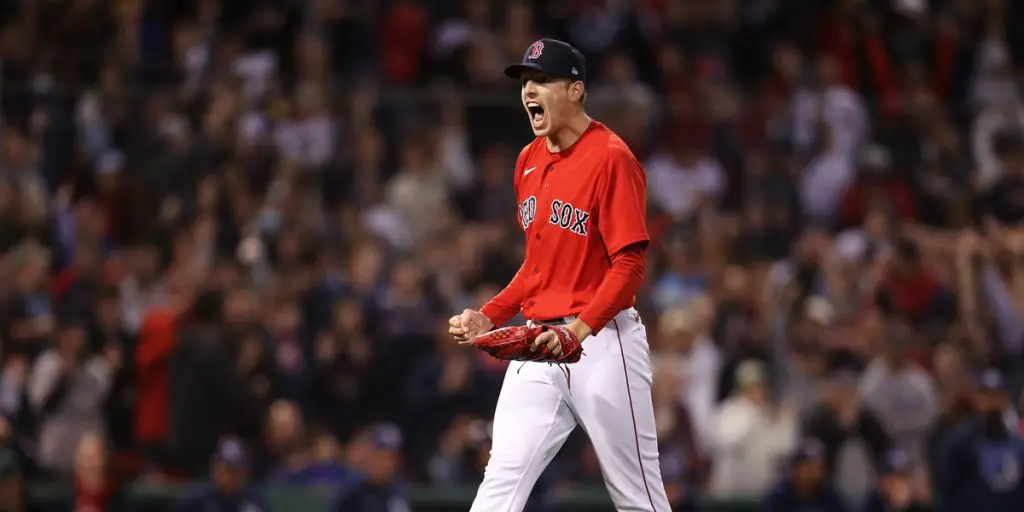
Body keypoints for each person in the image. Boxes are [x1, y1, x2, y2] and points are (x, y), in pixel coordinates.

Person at [448, 38, 671, 511]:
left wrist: (579, 329)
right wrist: (489, 315)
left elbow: (629, 266)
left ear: (575, 91)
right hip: (537, 344)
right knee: (500, 483)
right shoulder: (528, 159)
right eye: (525, 81)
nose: (529, 90)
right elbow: (537, 266)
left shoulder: (612, 157)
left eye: (542, 80)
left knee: (638, 499)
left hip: (602, 343)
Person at [936, 369, 1024, 511]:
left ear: (1005, 399)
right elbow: (947, 493)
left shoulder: (1017, 445)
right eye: (986, 395)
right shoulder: (960, 445)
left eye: (996, 396)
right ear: (976, 399)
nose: (991, 403)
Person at [760, 438, 849, 512]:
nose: (813, 472)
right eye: (808, 466)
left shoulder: (831, 496)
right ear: (795, 468)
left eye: (818, 466)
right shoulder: (778, 497)